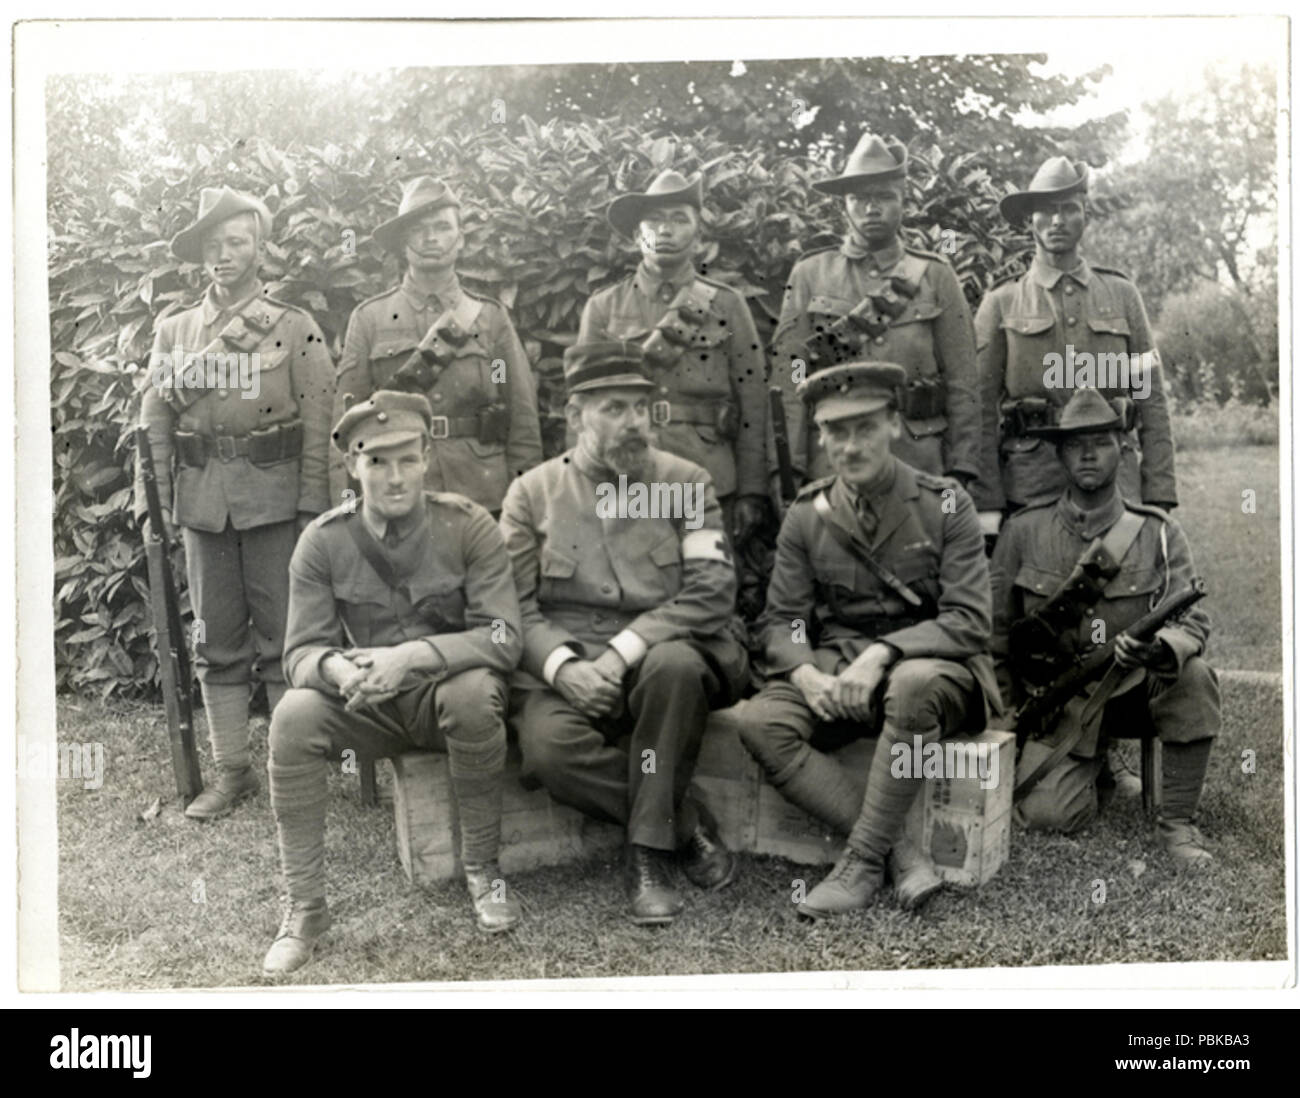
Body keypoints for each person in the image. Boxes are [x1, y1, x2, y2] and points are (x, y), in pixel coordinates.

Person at [262, 390, 524, 977]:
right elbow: (299, 653)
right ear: (352, 467)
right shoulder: (324, 541)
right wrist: (335, 669)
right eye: (376, 461)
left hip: (441, 699)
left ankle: (483, 870)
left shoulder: (468, 525)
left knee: (477, 692)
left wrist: (412, 657)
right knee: (293, 717)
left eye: (407, 458)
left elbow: (505, 638)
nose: (394, 476)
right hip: (367, 706)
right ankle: (305, 908)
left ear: (428, 456)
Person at [499, 340, 750, 925]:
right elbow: (509, 608)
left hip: (673, 655)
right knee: (547, 750)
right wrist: (564, 668)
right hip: (571, 665)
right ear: (575, 414)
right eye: (614, 408)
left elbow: (712, 592)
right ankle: (683, 824)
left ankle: (648, 857)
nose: (633, 422)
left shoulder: (684, 481)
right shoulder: (531, 493)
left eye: (641, 407)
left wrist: (622, 651)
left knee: (674, 666)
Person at [741, 362, 999, 918]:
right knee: (759, 722)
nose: (851, 446)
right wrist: (807, 672)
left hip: (936, 671)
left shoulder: (945, 503)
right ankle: (899, 851)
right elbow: (781, 620)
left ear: (896, 425)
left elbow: (970, 620)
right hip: (840, 669)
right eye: (836, 431)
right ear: (820, 437)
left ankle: (859, 863)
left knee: (908, 685)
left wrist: (884, 653)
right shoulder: (807, 515)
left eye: (865, 428)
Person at [134, 186, 334, 821]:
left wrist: (313, 513)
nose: (225, 255)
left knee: (283, 641)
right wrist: (154, 508)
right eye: (213, 246)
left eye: (237, 243)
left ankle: (289, 769)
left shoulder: (294, 326)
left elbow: (322, 423)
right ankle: (232, 773)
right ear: (200, 255)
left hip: (276, 507)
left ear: (259, 248)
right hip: (202, 510)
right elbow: (154, 426)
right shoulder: (173, 332)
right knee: (216, 641)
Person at [990, 387, 1218, 865]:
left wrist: (1161, 650)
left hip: (1134, 689)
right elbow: (996, 632)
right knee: (1050, 816)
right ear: (1059, 454)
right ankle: (1097, 771)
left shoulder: (1157, 530)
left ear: (1123, 449)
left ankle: (1177, 825)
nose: (1088, 453)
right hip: (1063, 701)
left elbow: (1192, 619)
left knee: (1193, 675)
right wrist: (1008, 718)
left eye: (1101, 441)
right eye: (1075, 444)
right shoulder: (1023, 532)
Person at [970, 156, 1177, 542]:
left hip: (1116, 482)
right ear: (1030, 219)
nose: (1058, 221)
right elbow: (979, 410)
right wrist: (988, 503)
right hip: (1032, 484)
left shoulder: (1122, 295)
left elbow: (1151, 401)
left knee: (1124, 592)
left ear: (1085, 216)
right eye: (1047, 210)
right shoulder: (1001, 302)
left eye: (1069, 209)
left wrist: (1159, 494)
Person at [769, 133, 980, 493]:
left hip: (919, 461)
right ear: (843, 207)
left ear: (903, 203)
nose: (872, 208)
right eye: (859, 198)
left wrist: (963, 470)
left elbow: (964, 384)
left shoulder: (935, 276)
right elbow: (791, 377)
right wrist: (790, 471)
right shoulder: (809, 274)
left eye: (884, 197)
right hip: (833, 461)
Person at [577, 170, 769, 546]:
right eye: (655, 221)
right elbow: (585, 403)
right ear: (636, 236)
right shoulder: (603, 307)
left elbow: (754, 401)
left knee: (709, 584)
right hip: (626, 474)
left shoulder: (728, 305)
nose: (666, 230)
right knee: (632, 587)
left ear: (698, 238)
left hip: (708, 474)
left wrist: (752, 489)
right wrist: (584, 484)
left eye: (679, 220)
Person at [331, 176, 543, 514]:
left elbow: (519, 417)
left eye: (442, 227)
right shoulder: (370, 319)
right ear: (403, 243)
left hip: (482, 491)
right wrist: (349, 510)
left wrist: (525, 507)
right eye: (419, 229)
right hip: (398, 491)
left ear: (460, 240)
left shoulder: (490, 319)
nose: (431, 238)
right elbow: (347, 425)